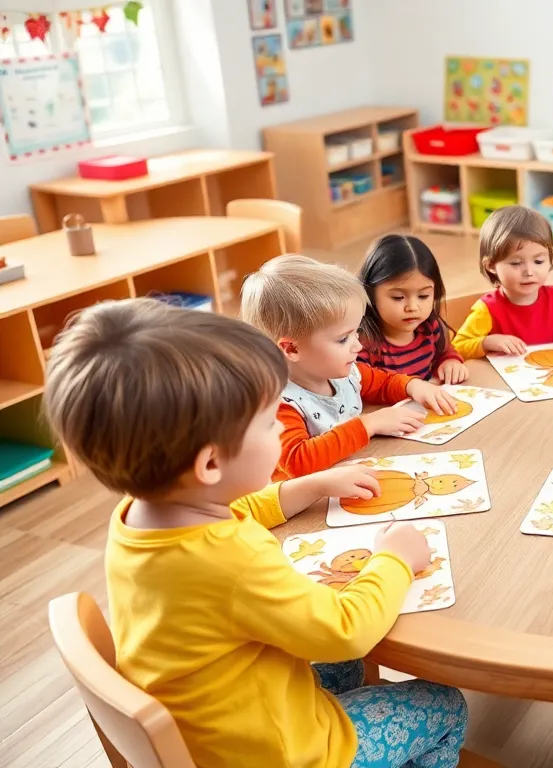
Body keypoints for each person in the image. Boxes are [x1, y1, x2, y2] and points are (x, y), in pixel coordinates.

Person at [43, 299, 468, 768]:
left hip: (214, 725)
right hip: (277, 752)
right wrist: (395, 558)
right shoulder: (233, 561)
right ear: (209, 463)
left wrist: (309, 485)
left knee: (340, 669)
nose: (280, 432)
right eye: (269, 423)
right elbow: (346, 631)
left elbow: (238, 507)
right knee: (444, 703)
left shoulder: (141, 513)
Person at [240, 254, 458, 479]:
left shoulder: (342, 373)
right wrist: (368, 424)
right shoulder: (279, 404)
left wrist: (414, 387)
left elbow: (382, 382)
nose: (358, 345)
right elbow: (298, 461)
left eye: (357, 332)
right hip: (308, 507)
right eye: (343, 338)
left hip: (349, 474)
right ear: (292, 349)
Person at [453, 205, 553, 358]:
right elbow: (458, 347)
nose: (529, 272)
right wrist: (487, 342)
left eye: (539, 261)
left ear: (550, 260)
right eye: (516, 263)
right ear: (491, 266)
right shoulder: (487, 309)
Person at [356, 234, 469, 384]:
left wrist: (450, 362)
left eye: (423, 296)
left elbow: (444, 352)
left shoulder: (430, 327)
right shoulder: (362, 343)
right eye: (398, 297)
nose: (413, 307)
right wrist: (408, 387)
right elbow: (361, 385)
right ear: (369, 293)